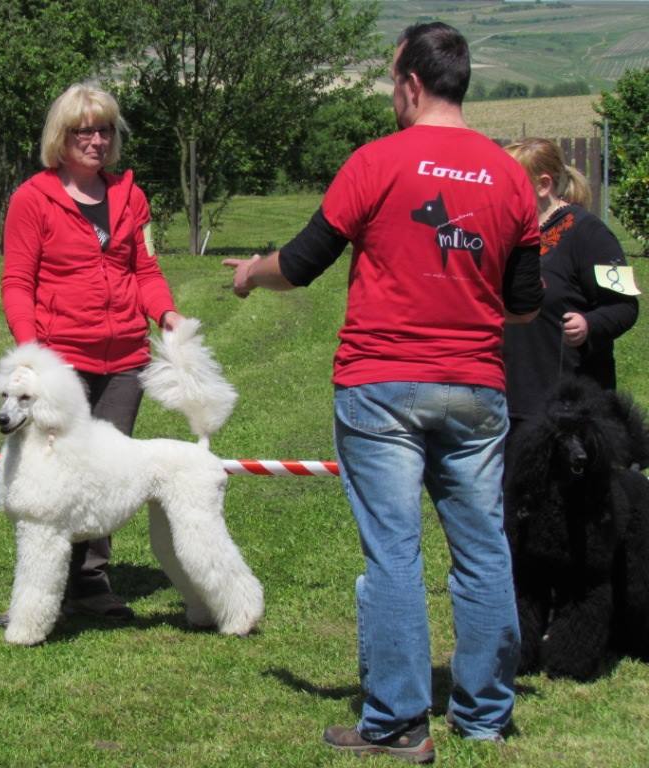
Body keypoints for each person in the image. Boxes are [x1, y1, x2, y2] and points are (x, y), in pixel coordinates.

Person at [224, 22, 543, 763]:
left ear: (409, 84)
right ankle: (486, 714)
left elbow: (301, 264)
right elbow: (524, 305)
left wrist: (248, 275)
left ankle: (399, 720)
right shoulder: (510, 175)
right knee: (483, 549)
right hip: (475, 390)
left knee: (394, 553)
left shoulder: (376, 161)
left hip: (380, 388)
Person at [0, 82, 183, 625]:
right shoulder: (33, 198)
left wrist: (166, 314)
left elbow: (144, 269)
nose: (97, 140)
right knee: (51, 475)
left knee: (105, 470)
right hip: (60, 363)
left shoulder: (132, 196)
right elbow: (17, 281)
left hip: (125, 357)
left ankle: (90, 582)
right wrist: (31, 351)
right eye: (84, 131)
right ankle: (37, 594)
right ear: (62, 137)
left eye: (105, 130)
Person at [502, 137, 639, 433]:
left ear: (543, 185)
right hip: (506, 399)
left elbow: (625, 306)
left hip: (567, 406)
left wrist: (589, 324)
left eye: (510, 183)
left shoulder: (589, 233)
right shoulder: (505, 233)